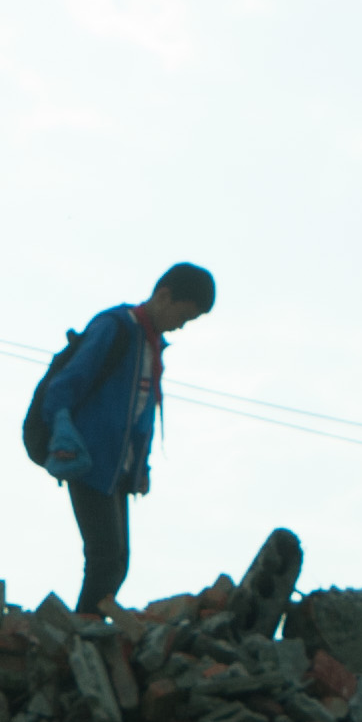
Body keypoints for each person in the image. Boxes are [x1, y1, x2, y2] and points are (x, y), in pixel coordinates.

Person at [26, 261, 212, 614]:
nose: (181, 326)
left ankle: (85, 634)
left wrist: (140, 468)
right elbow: (66, 385)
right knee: (107, 557)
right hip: (87, 460)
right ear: (164, 295)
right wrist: (63, 430)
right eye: (183, 316)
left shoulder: (152, 348)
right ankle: (80, 638)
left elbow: (141, 416)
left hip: (116, 471)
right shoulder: (115, 329)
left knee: (117, 560)